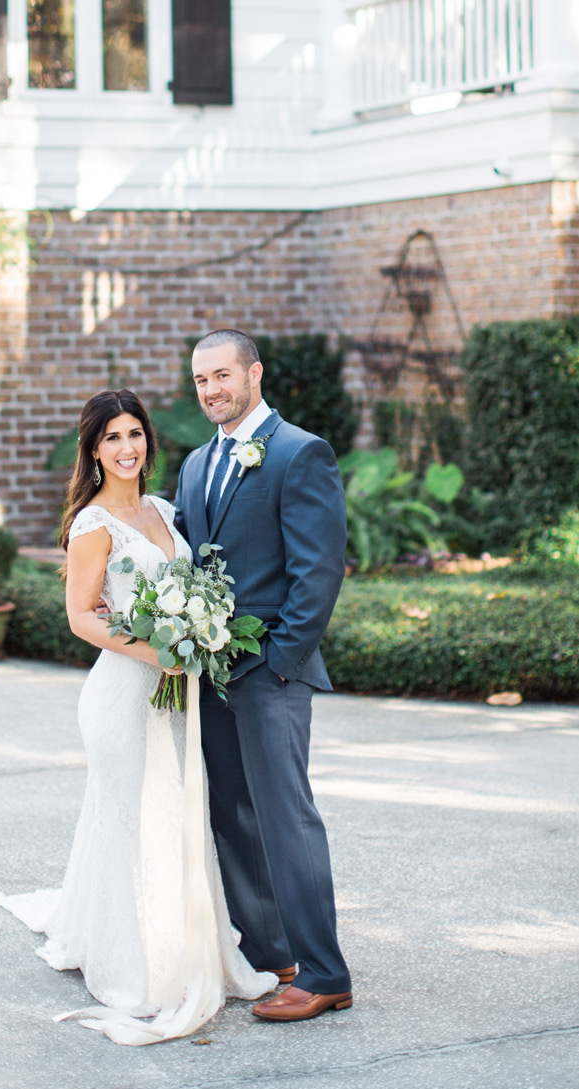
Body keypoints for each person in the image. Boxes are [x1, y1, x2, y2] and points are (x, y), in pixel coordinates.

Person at [0, 389, 276, 1046]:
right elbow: (82, 614)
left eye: (135, 434)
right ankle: (137, 967)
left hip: (178, 694)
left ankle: (195, 949)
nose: (127, 448)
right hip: (124, 693)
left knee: (176, 817)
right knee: (132, 821)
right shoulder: (94, 524)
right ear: (93, 450)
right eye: (113, 438)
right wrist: (155, 647)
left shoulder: (162, 509)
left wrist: (198, 633)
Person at [174, 329, 353, 1022]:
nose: (211, 389)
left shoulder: (297, 452)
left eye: (222, 375)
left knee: (286, 820)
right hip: (211, 673)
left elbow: (316, 572)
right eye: (200, 380)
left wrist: (279, 664)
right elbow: (188, 556)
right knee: (231, 817)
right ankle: (272, 952)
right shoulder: (194, 464)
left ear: (253, 372)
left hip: (271, 672)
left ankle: (324, 972)